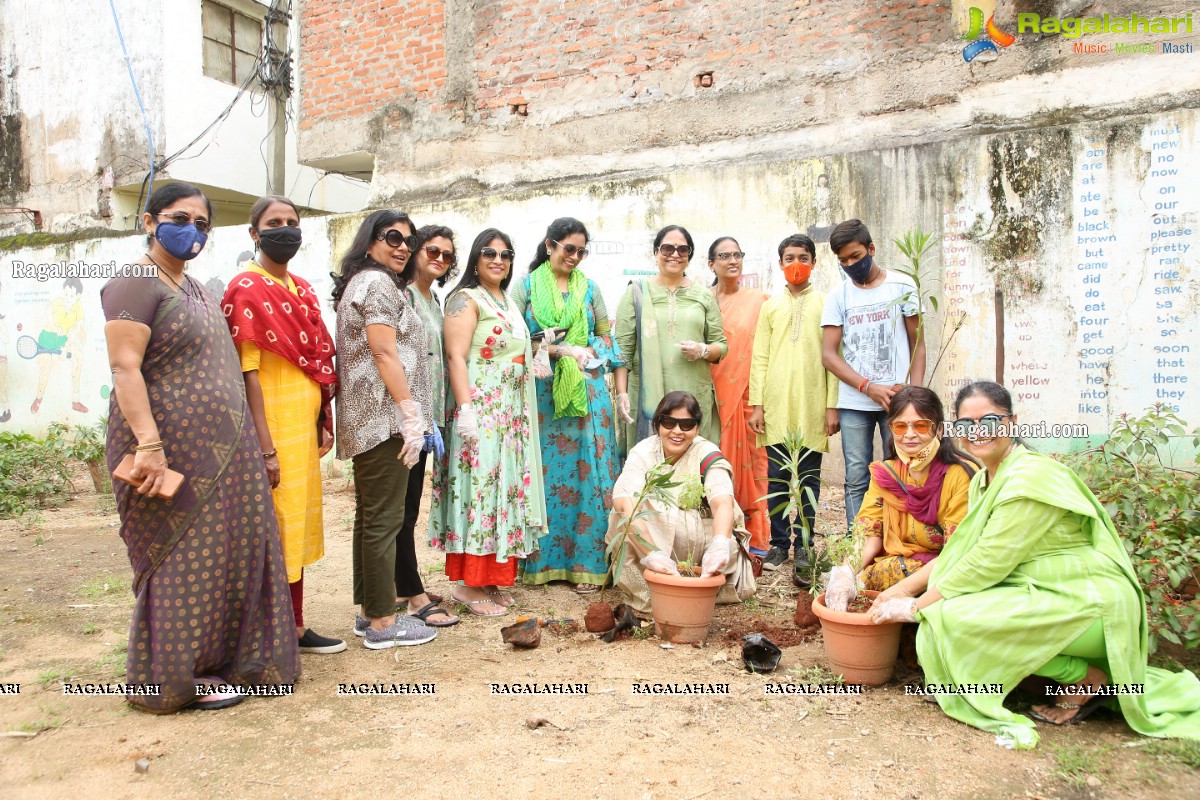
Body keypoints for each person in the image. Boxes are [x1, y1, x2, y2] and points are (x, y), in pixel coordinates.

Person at [872, 381, 1200, 748]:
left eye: (990, 420)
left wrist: (915, 606)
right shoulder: (984, 479)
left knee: (950, 615)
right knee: (944, 608)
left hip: (1089, 601)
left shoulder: (1029, 478)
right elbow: (960, 550)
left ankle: (1085, 678)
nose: (977, 432)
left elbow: (984, 564)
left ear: (1012, 422)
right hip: (1042, 591)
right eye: (966, 424)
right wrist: (899, 590)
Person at [101, 182, 297, 711]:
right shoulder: (135, 281)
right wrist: (149, 445)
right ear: (149, 223)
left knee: (236, 550)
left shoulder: (198, 287)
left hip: (225, 449)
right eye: (179, 218)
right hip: (167, 448)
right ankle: (171, 680)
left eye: (203, 223)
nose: (193, 230)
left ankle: (228, 663)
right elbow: (125, 368)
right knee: (182, 557)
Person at [222, 195, 345, 654]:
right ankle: (267, 632)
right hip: (270, 428)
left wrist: (320, 418)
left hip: (301, 429)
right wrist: (264, 447)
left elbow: (315, 361)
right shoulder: (245, 289)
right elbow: (247, 372)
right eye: (275, 223)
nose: (286, 229)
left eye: (293, 222)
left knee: (295, 527)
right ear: (254, 233)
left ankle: (294, 626)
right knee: (271, 531)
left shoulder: (300, 287)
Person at [333, 210, 441, 648]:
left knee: (371, 517)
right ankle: (381, 623)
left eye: (408, 241)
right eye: (391, 237)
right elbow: (384, 353)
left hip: (374, 419)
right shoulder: (376, 284)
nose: (402, 246)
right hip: (383, 420)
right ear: (369, 241)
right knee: (384, 519)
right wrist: (409, 413)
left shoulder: (364, 283)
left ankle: (368, 611)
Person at [432, 229, 548, 616]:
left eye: (506, 253)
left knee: (504, 490)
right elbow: (456, 357)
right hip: (481, 410)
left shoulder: (505, 300)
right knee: (479, 488)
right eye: (489, 252)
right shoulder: (465, 299)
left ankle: (493, 577)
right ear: (476, 259)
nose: (498, 260)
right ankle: (468, 584)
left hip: (510, 413)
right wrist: (466, 410)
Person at [511, 218, 622, 594]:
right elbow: (509, 334)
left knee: (588, 474)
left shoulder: (591, 290)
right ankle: (540, 564)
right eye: (568, 248)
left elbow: (607, 336)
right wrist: (553, 349)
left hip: (587, 394)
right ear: (549, 245)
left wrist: (589, 351)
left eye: (581, 250)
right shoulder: (524, 287)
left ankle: (588, 565)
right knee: (545, 476)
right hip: (542, 395)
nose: (574, 256)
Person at [607, 391, 756, 615]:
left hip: (696, 543)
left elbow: (722, 502)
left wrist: (719, 543)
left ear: (697, 428)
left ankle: (697, 587)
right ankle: (649, 592)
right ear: (657, 424)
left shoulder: (705, 452)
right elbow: (622, 503)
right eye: (669, 423)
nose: (677, 431)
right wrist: (651, 554)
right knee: (626, 515)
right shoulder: (644, 452)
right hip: (648, 541)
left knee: (724, 534)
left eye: (686, 425)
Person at [821, 219, 925, 531]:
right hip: (855, 402)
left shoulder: (903, 286)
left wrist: (914, 396)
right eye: (843, 260)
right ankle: (859, 542)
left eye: (855, 256)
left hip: (898, 401)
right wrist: (868, 387)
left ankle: (902, 537)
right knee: (856, 475)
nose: (851, 264)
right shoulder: (838, 296)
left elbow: (917, 342)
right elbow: (828, 355)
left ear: (871, 249)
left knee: (903, 469)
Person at [748, 234, 840, 580]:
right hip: (775, 405)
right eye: (789, 258)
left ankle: (804, 545)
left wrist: (832, 407)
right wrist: (756, 404)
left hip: (813, 405)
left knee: (808, 481)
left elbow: (835, 359)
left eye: (803, 257)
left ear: (814, 262)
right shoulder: (770, 306)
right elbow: (759, 358)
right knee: (777, 480)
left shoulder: (827, 304)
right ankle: (778, 543)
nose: (796, 263)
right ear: (780, 263)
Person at [614, 225, 727, 455]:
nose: (674, 255)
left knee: (693, 465)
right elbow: (622, 352)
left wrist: (703, 350)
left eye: (682, 250)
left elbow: (721, 346)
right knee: (649, 463)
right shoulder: (636, 293)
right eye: (667, 248)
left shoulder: (703, 295)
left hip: (693, 394)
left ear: (689, 256)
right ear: (656, 253)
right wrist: (622, 394)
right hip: (648, 397)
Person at [854, 386, 974, 599]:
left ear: (938, 430)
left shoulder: (960, 475)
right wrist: (846, 572)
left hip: (945, 570)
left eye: (921, 426)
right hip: (896, 566)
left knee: (897, 571)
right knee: (868, 576)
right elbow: (870, 536)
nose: (909, 435)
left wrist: (902, 590)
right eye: (900, 426)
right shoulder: (885, 474)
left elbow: (957, 551)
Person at [398, 225, 460, 625]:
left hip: (428, 421)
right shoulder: (400, 295)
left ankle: (402, 585)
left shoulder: (433, 299)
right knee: (399, 511)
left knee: (408, 507)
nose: (439, 259)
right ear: (417, 250)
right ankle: (413, 595)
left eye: (448, 256)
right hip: (404, 419)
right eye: (432, 250)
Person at [705, 236, 769, 560]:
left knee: (754, 466)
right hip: (710, 397)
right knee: (715, 465)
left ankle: (756, 539)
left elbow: (766, 353)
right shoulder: (702, 300)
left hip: (746, 397)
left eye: (737, 254)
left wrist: (760, 401)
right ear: (711, 263)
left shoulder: (760, 300)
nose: (733, 260)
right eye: (724, 255)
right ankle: (719, 533)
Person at [31, 277, 88, 414]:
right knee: (46, 369)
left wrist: (66, 346)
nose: (68, 297)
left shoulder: (78, 308)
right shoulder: (58, 302)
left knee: (78, 357)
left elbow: (77, 328)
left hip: (62, 340)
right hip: (47, 338)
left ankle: (75, 401)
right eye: (66, 293)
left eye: (71, 295)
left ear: (78, 296)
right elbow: (48, 311)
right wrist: (54, 326)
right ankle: (38, 399)